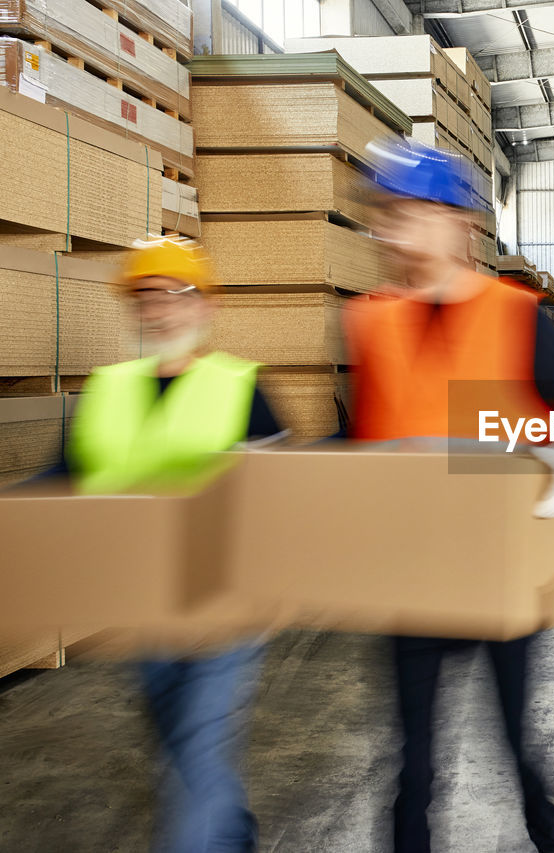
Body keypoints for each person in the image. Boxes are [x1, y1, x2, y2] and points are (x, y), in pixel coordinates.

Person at [349, 137, 554, 853]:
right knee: (413, 762)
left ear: (458, 222)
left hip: (501, 571)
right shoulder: (373, 321)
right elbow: (364, 445)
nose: (395, 230)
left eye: (411, 212)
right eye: (388, 214)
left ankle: (548, 836)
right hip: (409, 575)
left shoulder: (513, 316)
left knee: (517, 746)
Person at [66, 236, 286, 852]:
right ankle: (236, 836)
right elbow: (64, 483)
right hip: (144, 608)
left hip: (227, 608)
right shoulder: (105, 390)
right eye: (146, 298)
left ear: (204, 308)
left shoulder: (242, 387)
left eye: (175, 295)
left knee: (193, 753)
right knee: (184, 746)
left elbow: (288, 497)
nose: (160, 309)